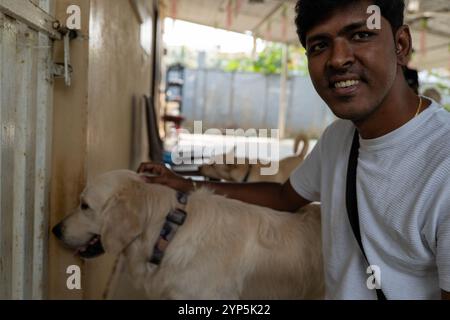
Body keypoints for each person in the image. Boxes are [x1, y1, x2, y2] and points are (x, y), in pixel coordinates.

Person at [138, 0, 450, 300]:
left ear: (401, 45)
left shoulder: (442, 163)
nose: (338, 59)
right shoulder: (339, 138)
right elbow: (283, 197)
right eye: (320, 45)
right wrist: (186, 185)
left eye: (361, 35)